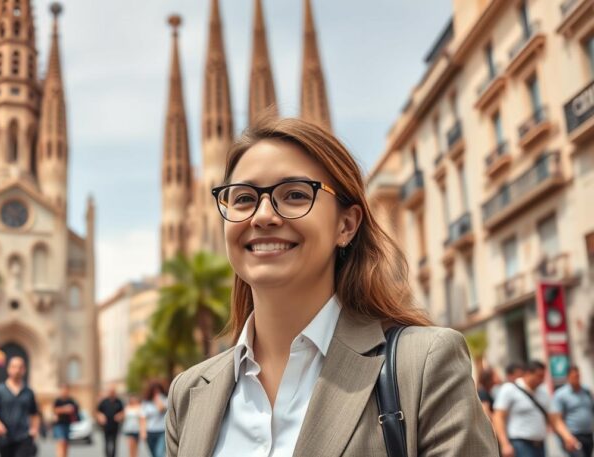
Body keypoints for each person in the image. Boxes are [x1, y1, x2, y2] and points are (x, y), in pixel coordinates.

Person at [164, 118, 498, 456]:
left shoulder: (423, 365)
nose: (263, 215)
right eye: (243, 198)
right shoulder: (190, 394)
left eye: (294, 194)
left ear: (346, 225)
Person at [493, 360, 579, 457]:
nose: (541, 380)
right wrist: (504, 444)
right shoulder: (509, 389)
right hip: (520, 444)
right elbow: (498, 417)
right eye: (539, 376)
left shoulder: (543, 392)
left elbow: (555, 419)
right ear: (528, 374)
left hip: (540, 445)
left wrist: (567, 437)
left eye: (543, 376)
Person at [0, 357, 39, 457]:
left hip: (24, 436)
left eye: (20, 367)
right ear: (8, 369)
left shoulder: (29, 392)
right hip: (5, 436)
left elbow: (34, 413)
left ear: (24, 370)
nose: (17, 370)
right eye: (14, 367)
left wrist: (34, 429)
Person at [551, 366, 593, 457]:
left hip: (588, 434)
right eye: (573, 376)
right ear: (568, 377)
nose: (576, 378)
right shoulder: (561, 394)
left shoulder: (586, 391)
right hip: (573, 435)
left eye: (578, 376)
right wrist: (567, 437)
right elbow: (557, 419)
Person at [96, 386, 124, 457]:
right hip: (106, 426)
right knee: (106, 443)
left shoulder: (119, 401)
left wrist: (120, 415)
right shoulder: (104, 401)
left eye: (113, 392)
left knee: (114, 443)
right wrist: (101, 417)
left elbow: (123, 412)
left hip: (115, 426)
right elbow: (98, 412)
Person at [52, 384, 79, 457]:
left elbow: (76, 410)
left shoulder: (71, 400)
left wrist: (71, 410)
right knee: (61, 441)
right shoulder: (58, 400)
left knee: (66, 444)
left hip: (67, 424)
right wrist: (65, 409)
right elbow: (54, 410)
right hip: (59, 424)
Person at [142, 382, 167, 457]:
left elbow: (161, 409)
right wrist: (143, 432)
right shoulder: (146, 403)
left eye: (158, 391)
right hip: (150, 431)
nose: (156, 393)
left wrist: (158, 399)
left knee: (159, 454)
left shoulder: (165, 400)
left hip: (162, 431)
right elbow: (143, 418)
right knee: (153, 454)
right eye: (155, 391)